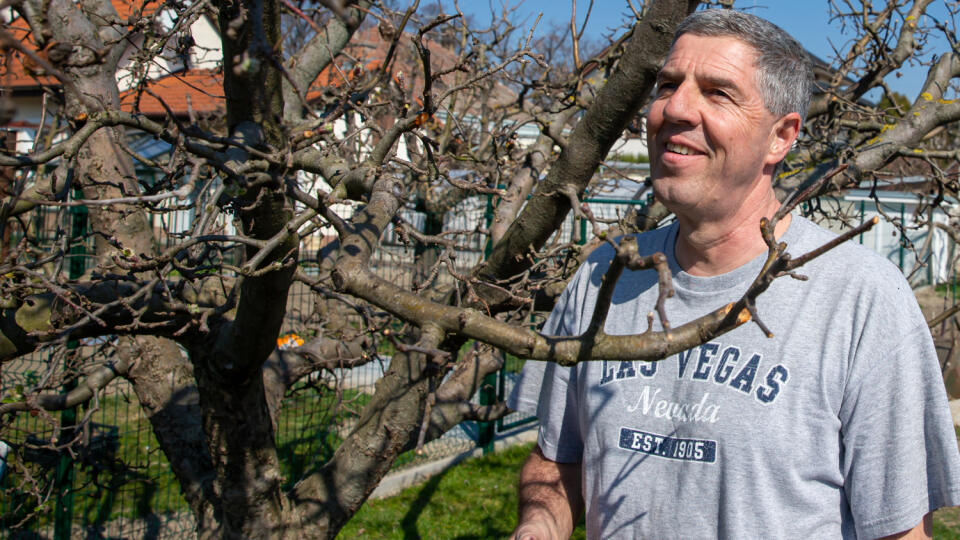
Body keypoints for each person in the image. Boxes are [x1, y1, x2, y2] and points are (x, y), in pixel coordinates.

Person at [508, 9, 960, 540]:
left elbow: (900, 533)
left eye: (717, 92)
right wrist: (538, 525)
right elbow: (556, 462)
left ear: (781, 137)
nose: (675, 108)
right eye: (668, 84)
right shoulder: (603, 275)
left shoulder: (862, 300)